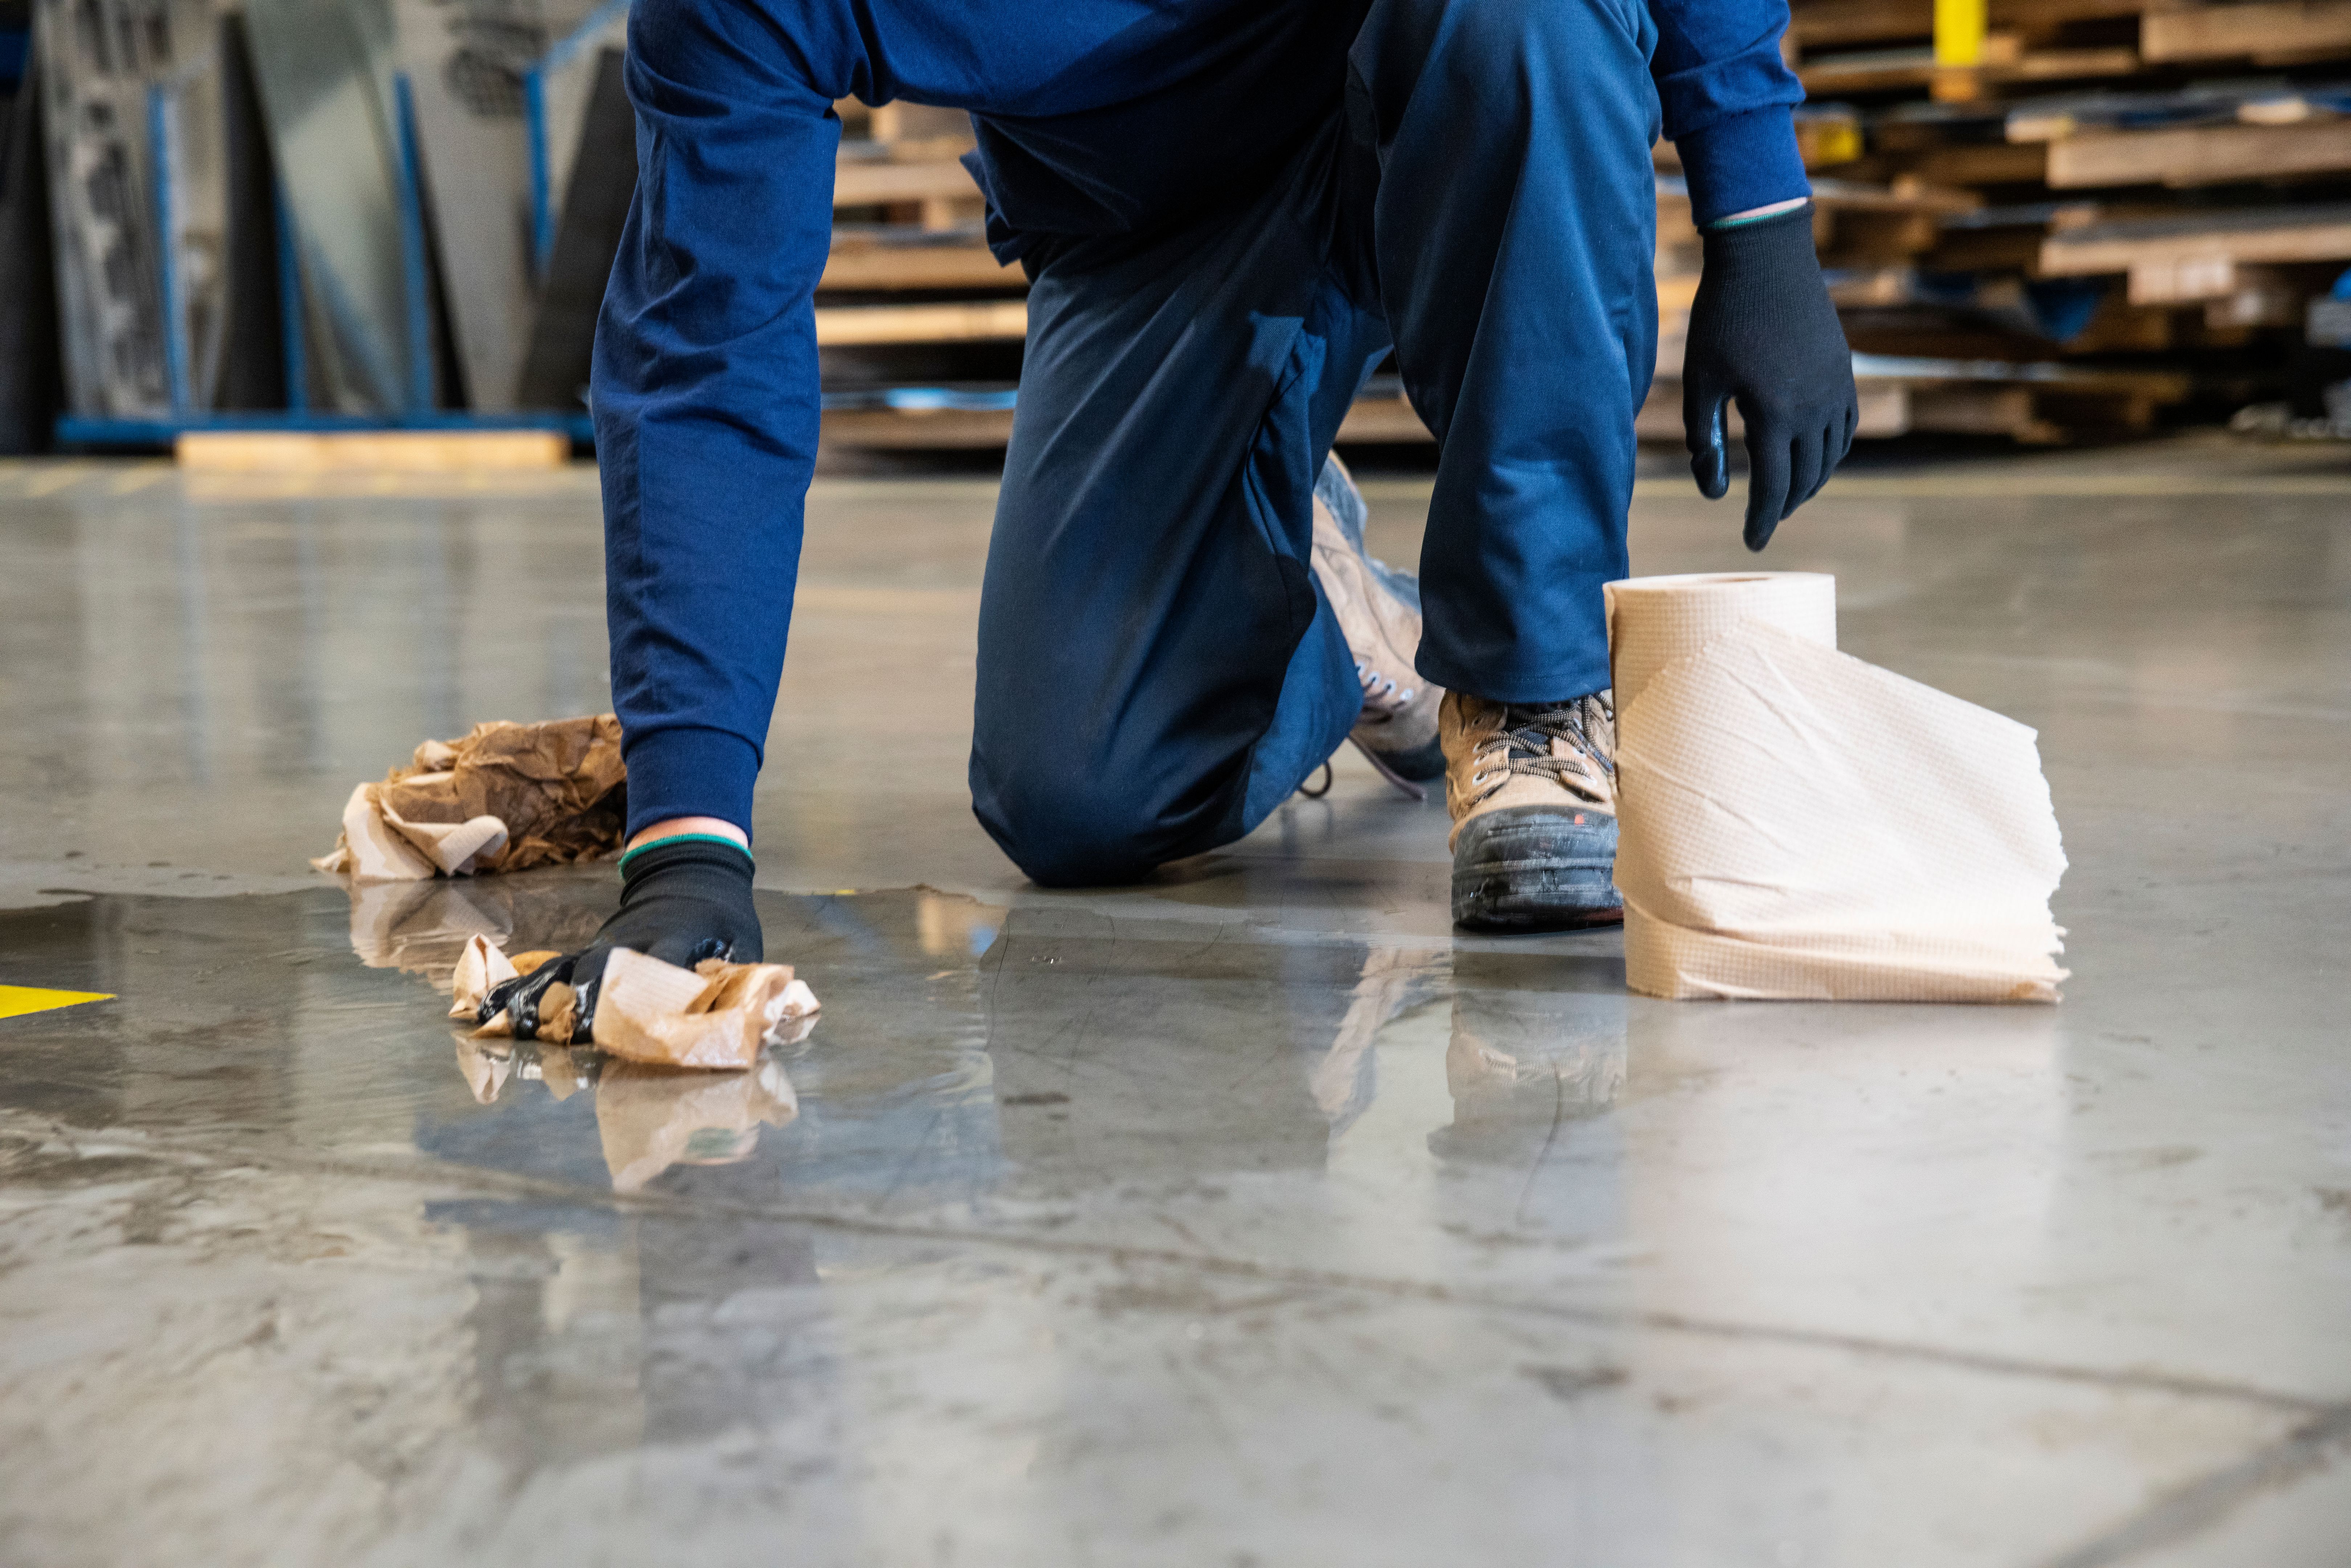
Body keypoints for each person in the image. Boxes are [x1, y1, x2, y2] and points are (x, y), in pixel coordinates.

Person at [489, 0, 1858, 1039]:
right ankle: (1316, 600)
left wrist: (1761, 205)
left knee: (1520, 21)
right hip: (1152, 241)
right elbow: (706, 359)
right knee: (1081, 798)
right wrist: (687, 844)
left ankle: (1534, 692)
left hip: (1439, 84)